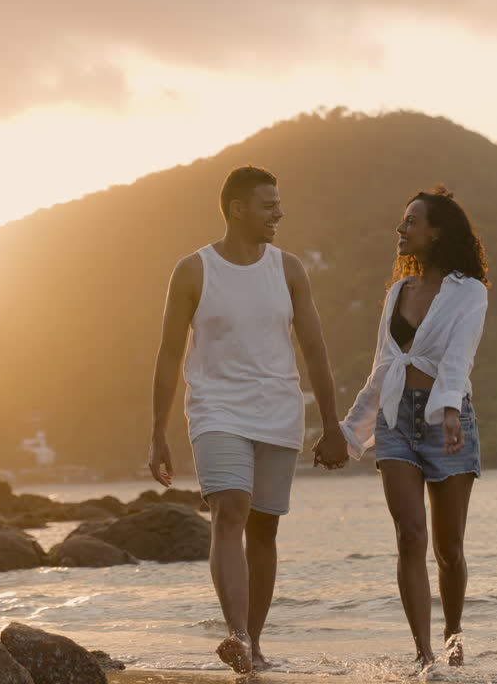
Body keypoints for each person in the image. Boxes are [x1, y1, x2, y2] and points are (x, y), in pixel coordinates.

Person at [148, 165, 350, 673]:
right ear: (237, 209)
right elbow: (169, 354)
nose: (279, 213)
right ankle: (236, 634)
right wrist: (157, 432)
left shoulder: (289, 269)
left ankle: (253, 646)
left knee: (264, 529)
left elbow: (315, 350)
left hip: (278, 410)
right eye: (268, 205)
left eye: (278, 203)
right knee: (230, 508)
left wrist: (332, 426)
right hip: (216, 408)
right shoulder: (193, 270)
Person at [335, 186, 489, 670]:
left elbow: (460, 355)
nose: (400, 229)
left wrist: (449, 409)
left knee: (449, 548)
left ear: (436, 231)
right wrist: (349, 431)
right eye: (403, 221)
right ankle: (423, 654)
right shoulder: (397, 292)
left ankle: (452, 637)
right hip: (395, 419)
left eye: (411, 221)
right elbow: (383, 367)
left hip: (447, 419)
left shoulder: (469, 291)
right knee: (409, 536)